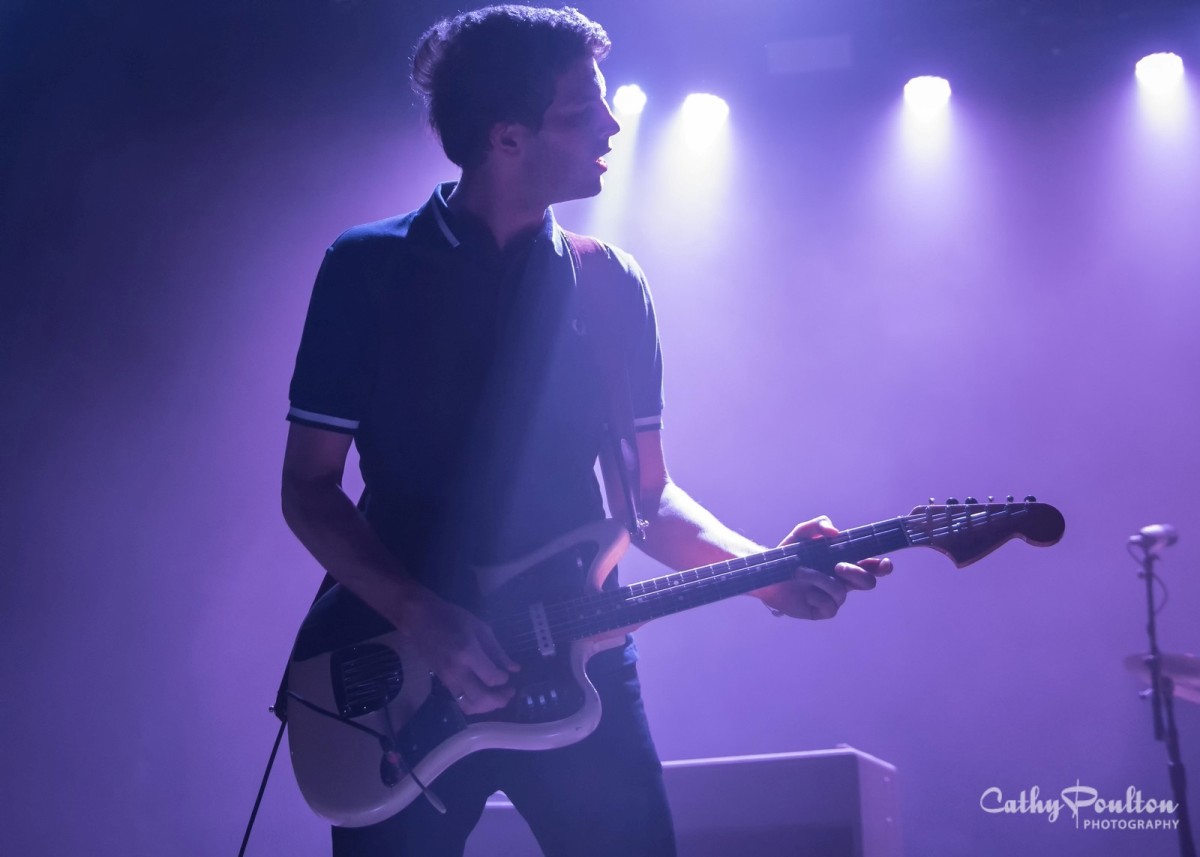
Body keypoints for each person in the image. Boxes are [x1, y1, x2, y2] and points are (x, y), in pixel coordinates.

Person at [281, 6, 892, 856]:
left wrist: (765, 571)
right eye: (582, 110)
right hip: (403, 673)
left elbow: (649, 498)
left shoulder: (610, 285)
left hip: (581, 659)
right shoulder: (367, 268)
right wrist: (424, 616)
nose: (612, 124)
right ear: (507, 137)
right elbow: (309, 488)